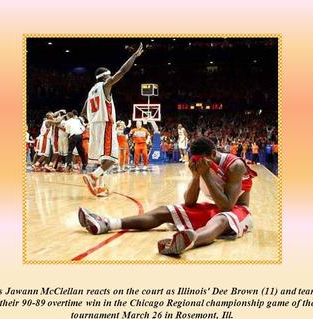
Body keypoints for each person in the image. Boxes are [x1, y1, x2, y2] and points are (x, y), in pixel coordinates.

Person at [79, 137, 257, 256]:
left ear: (212, 154)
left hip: (237, 210)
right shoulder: (201, 164)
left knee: (220, 221)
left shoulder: (235, 165)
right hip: (216, 206)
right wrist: (197, 176)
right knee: (165, 210)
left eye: (201, 160)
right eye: (194, 160)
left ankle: (189, 240)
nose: (197, 163)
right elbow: (189, 201)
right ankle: (108, 223)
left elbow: (226, 206)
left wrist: (207, 175)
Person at [81, 43, 144, 197]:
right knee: (112, 159)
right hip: (105, 124)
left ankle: (100, 187)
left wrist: (84, 121)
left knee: (102, 160)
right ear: (105, 76)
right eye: (109, 76)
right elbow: (122, 72)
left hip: (94, 125)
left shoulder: (91, 92)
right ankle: (93, 176)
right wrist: (134, 56)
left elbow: (83, 111)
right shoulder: (104, 85)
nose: (111, 78)